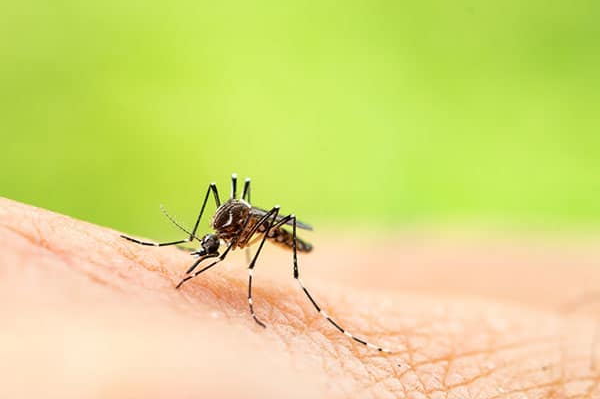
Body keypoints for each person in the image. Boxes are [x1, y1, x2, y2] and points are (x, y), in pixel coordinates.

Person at [1, 197, 598, 398]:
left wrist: (254, 292)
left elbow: (253, 222)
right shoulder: (220, 226)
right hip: (250, 226)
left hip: (277, 231)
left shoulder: (248, 229)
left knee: (258, 218)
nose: (214, 249)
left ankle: (271, 299)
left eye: (214, 242)